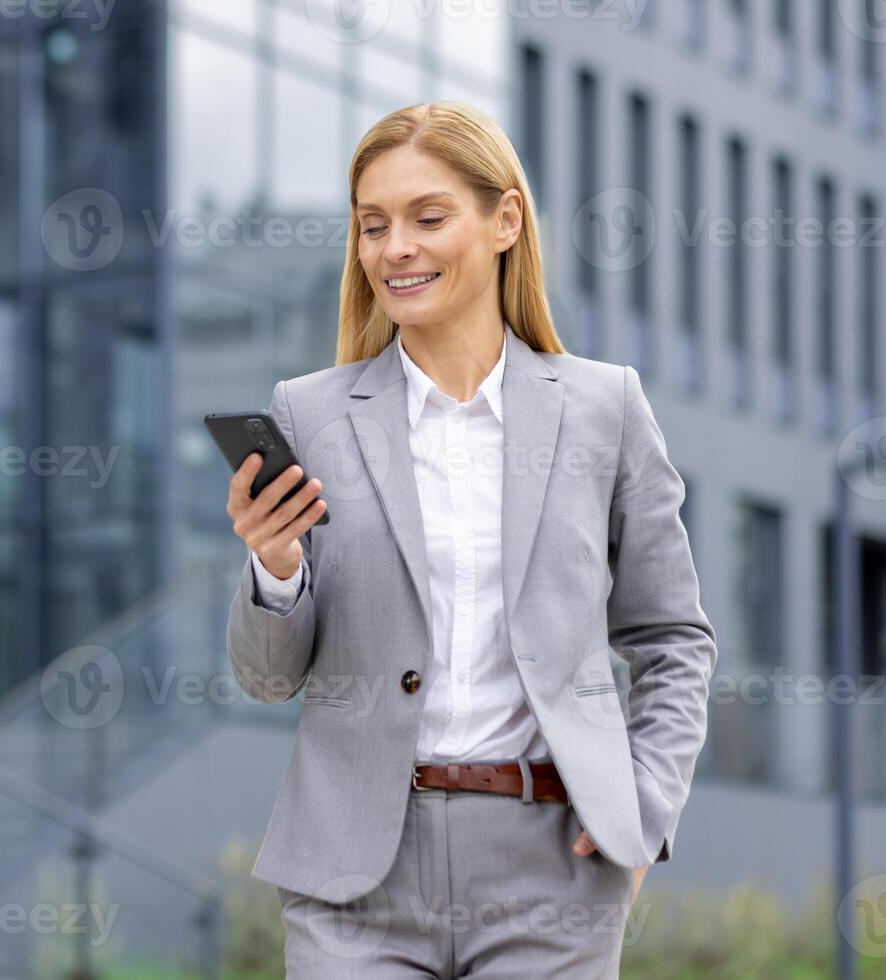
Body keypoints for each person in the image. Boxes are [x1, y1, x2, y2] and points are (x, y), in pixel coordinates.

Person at [222, 100, 717, 978]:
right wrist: (276, 568)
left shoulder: (605, 408)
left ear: (505, 221)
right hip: (354, 875)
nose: (394, 248)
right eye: (373, 226)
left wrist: (643, 812)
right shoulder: (312, 413)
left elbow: (672, 639)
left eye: (427, 217)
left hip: (550, 866)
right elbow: (267, 678)